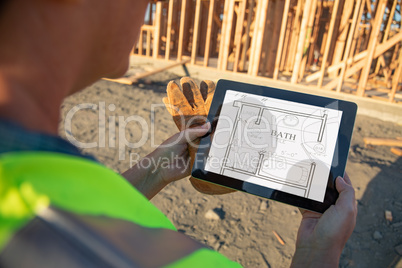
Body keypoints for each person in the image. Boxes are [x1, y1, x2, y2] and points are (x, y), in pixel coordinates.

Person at [0, 0, 357, 267]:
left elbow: (81, 203)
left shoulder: (26, 176)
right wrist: (317, 251)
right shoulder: (104, 251)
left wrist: (156, 169)